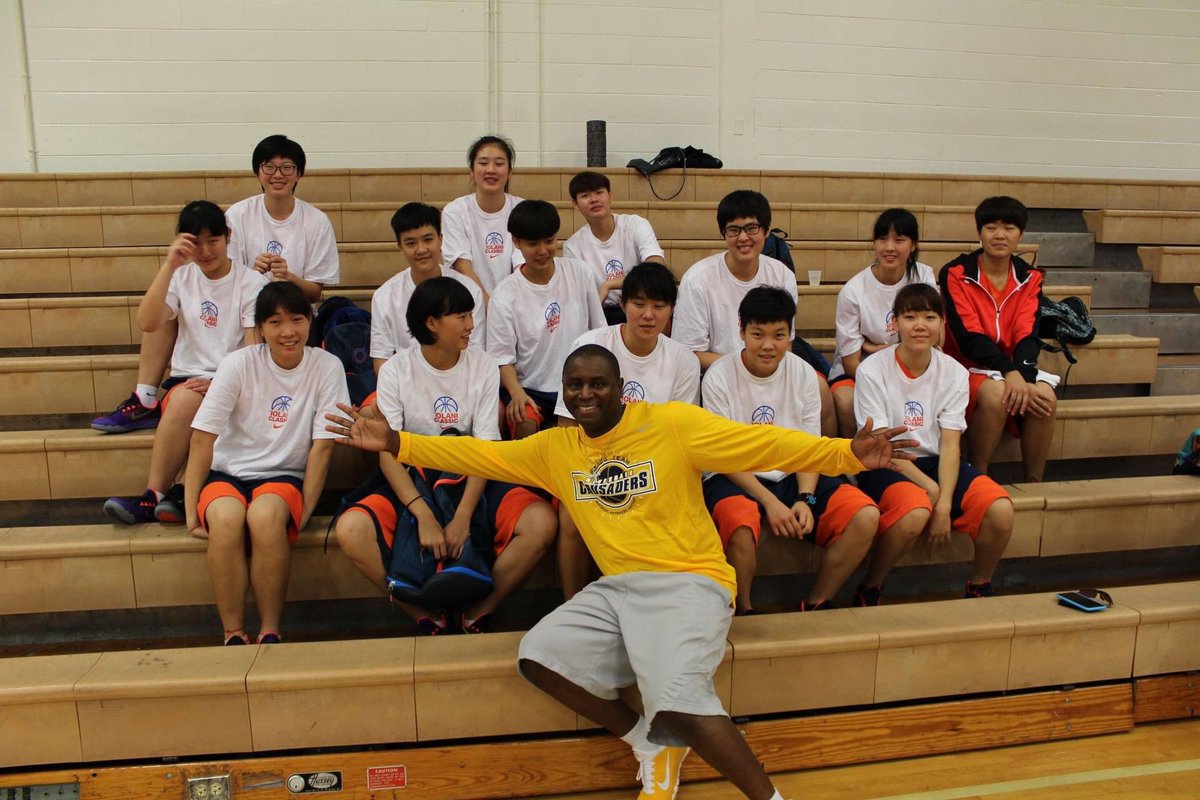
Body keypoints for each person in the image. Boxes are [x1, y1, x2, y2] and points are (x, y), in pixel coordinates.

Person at [325, 344, 916, 800]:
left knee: (682, 697)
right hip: (618, 588)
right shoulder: (558, 448)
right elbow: (482, 455)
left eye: (597, 384)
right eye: (574, 386)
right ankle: (648, 744)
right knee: (539, 656)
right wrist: (398, 442)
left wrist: (844, 455)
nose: (585, 395)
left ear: (619, 390)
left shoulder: (671, 425)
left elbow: (761, 442)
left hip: (691, 582)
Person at [335, 277, 556, 634]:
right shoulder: (395, 370)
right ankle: (421, 612)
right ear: (431, 323)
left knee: (541, 523)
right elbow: (388, 452)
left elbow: (485, 449)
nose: (471, 325)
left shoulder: (482, 365)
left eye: (471, 315)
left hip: (471, 472)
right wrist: (422, 514)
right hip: (413, 476)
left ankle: (478, 608)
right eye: (460, 316)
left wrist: (463, 516)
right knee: (349, 529)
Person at [91, 134, 339, 434]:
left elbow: (316, 291)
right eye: (269, 167)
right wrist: (251, 271)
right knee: (167, 304)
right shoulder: (238, 214)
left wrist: (287, 278)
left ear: (299, 173)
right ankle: (145, 398)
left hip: (285, 319)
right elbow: (220, 271)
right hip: (238, 306)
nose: (278, 175)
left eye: (287, 167)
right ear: (257, 172)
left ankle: (237, 384)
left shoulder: (316, 221)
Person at [185, 281, 349, 646]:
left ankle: (270, 629)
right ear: (260, 329)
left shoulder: (327, 366)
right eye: (275, 322)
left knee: (264, 517)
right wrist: (189, 507)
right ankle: (232, 631)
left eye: (296, 319)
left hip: (283, 476)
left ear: (310, 321)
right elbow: (203, 437)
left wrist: (305, 507)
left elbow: (323, 448)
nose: (287, 332)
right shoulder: (238, 364)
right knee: (225, 520)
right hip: (227, 474)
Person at [702, 287, 881, 614]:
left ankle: (816, 601)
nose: (768, 345)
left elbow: (810, 449)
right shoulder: (718, 377)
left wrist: (804, 499)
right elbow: (721, 456)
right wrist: (770, 503)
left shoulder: (803, 374)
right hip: (735, 476)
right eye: (758, 334)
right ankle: (743, 610)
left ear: (790, 335)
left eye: (778, 335)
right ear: (741, 331)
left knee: (865, 515)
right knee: (740, 526)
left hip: (792, 473)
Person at [103, 200, 267, 524]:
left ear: (228, 237)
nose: (205, 251)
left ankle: (160, 495)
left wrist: (222, 383)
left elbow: (253, 352)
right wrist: (169, 266)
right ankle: (163, 495)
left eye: (213, 241)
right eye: (196, 242)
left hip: (233, 379)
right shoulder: (181, 276)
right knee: (184, 398)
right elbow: (148, 322)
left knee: (187, 402)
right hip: (188, 379)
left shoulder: (252, 284)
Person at [853, 284, 1014, 605]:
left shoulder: (954, 372)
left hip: (937, 462)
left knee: (1000, 508)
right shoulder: (871, 370)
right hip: (886, 465)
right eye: (910, 316)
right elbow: (883, 448)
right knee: (914, 511)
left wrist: (941, 503)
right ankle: (870, 586)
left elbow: (952, 444)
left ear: (942, 324)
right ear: (895, 323)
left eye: (929, 316)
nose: (920, 325)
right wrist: (934, 491)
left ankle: (979, 584)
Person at [552, 261, 701, 599]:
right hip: (590, 459)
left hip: (653, 464)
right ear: (622, 306)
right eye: (639, 304)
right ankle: (572, 602)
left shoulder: (683, 360)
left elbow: (679, 434)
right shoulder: (590, 344)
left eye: (659, 306)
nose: (648, 315)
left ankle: (651, 602)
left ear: (672, 309)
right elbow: (566, 425)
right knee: (572, 515)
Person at [672, 189, 836, 435]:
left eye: (751, 228)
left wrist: (765, 366)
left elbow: (785, 340)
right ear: (723, 234)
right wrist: (744, 366)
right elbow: (689, 353)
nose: (743, 238)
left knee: (820, 388)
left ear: (767, 231)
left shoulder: (781, 275)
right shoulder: (698, 279)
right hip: (721, 372)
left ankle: (827, 461)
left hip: (771, 363)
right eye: (733, 230)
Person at [939, 196, 1058, 482]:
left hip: (1010, 365)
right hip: (965, 364)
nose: (1000, 235)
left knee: (1044, 397)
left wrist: (1023, 375)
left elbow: (1026, 331)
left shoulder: (1030, 277)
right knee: (996, 395)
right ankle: (977, 477)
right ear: (979, 232)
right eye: (991, 227)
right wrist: (1010, 372)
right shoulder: (956, 273)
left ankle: (1034, 481)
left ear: (1021, 235)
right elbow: (968, 336)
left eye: (1009, 228)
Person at [486, 199, 605, 439]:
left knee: (575, 441)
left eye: (549, 241)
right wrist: (516, 393)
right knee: (525, 423)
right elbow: (502, 359)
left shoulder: (580, 273)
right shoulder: (504, 294)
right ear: (516, 242)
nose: (543, 251)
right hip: (530, 388)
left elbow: (599, 332)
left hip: (579, 383)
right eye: (533, 244)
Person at [829, 208, 938, 436]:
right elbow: (851, 362)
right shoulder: (853, 291)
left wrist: (879, 348)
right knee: (846, 400)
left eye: (899, 240)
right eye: (882, 239)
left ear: (913, 245)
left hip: (913, 365)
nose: (889, 247)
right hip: (861, 372)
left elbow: (935, 338)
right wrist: (884, 380)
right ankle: (855, 464)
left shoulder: (923, 277)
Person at [369, 202, 487, 370]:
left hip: (461, 383)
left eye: (428, 240)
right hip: (407, 386)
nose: (421, 249)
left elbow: (475, 353)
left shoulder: (469, 289)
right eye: (411, 243)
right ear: (400, 247)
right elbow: (382, 359)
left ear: (441, 239)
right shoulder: (384, 296)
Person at [562, 171, 666, 325]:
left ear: (610, 196)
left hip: (640, 304)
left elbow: (656, 266)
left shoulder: (636, 224)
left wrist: (609, 285)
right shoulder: (572, 246)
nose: (594, 200)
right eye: (585, 196)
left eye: (599, 192)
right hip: (602, 312)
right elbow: (579, 294)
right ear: (575, 205)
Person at [441, 135, 525, 296]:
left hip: (514, 301)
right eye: (483, 163)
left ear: (510, 172)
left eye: (499, 163)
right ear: (471, 170)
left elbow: (522, 266)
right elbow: (461, 266)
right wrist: (488, 305)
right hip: (468, 303)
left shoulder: (521, 209)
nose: (491, 170)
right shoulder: (455, 211)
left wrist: (505, 306)